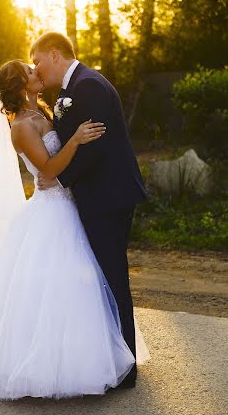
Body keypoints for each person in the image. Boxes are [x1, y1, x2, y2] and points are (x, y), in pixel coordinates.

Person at [0, 57, 150, 401]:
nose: (36, 72)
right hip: (50, 211)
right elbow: (50, 169)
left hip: (70, 205)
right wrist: (77, 140)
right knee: (55, 287)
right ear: (17, 86)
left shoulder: (43, 111)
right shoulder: (21, 126)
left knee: (85, 282)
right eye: (29, 72)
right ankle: (47, 367)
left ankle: (92, 356)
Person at [30, 32, 149, 388]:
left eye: (37, 60)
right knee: (103, 278)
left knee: (112, 278)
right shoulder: (74, 88)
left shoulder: (88, 86)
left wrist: (60, 179)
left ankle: (126, 367)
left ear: (54, 54)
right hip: (101, 195)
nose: (36, 68)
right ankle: (113, 358)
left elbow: (95, 148)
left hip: (107, 197)